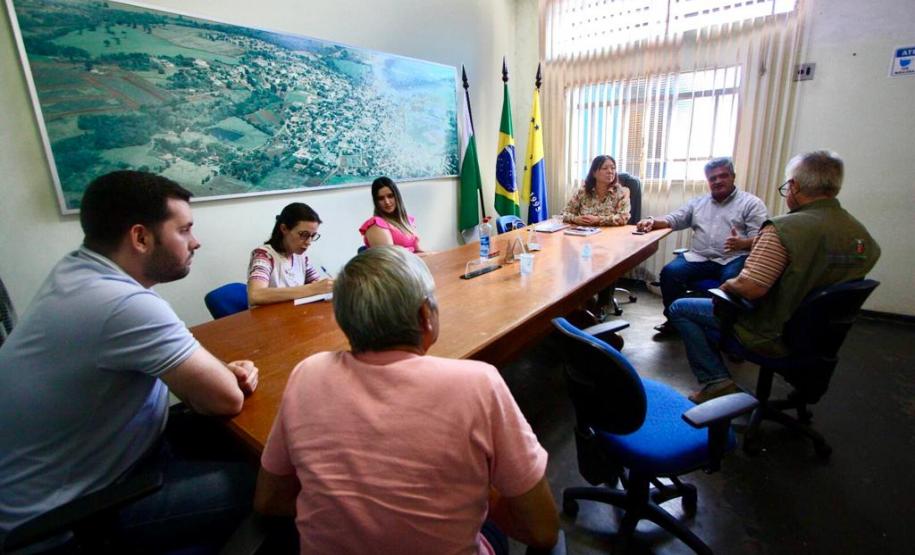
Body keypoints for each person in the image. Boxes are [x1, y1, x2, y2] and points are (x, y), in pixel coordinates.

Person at [0, 171, 259, 550]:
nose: (196, 241)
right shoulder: (123, 304)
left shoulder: (76, 271)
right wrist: (218, 376)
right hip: (71, 516)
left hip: (104, 462)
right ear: (140, 237)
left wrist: (211, 374)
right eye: (184, 230)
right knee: (273, 481)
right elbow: (225, 398)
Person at [253, 246, 559, 554]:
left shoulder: (307, 374)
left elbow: (270, 499)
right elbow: (543, 530)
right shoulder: (478, 383)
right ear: (426, 314)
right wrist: (482, 496)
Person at [667, 151, 880, 403]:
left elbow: (750, 288)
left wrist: (727, 285)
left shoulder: (782, 229)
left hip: (771, 332)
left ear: (794, 186)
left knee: (680, 307)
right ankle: (801, 387)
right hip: (818, 339)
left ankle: (717, 381)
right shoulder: (860, 234)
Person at [636, 157, 768, 334]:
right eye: (712, 178)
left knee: (732, 284)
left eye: (723, 176)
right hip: (700, 257)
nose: (718, 181)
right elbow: (674, 219)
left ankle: (728, 332)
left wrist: (743, 243)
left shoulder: (751, 203)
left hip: (733, 258)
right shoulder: (698, 203)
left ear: (733, 177)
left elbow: (762, 239)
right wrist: (651, 221)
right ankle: (674, 320)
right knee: (670, 273)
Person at [247, 202, 333, 306]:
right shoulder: (264, 256)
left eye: (313, 236)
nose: (308, 242)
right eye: (303, 235)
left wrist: (329, 287)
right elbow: (256, 295)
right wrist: (312, 289)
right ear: (284, 229)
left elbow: (317, 285)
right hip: (268, 319)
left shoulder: (300, 256)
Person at [359, 176, 426, 253]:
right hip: (396, 264)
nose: (387, 202)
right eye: (381, 198)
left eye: (390, 196)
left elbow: (418, 251)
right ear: (376, 202)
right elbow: (390, 259)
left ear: (397, 197)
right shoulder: (376, 224)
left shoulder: (407, 221)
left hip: (413, 263)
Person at [561, 155, 630, 227]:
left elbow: (623, 218)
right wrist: (576, 219)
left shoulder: (621, 193)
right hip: (584, 234)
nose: (610, 171)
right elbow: (564, 214)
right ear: (594, 173)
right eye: (605, 168)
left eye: (613, 168)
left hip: (609, 235)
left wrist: (598, 220)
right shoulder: (583, 191)